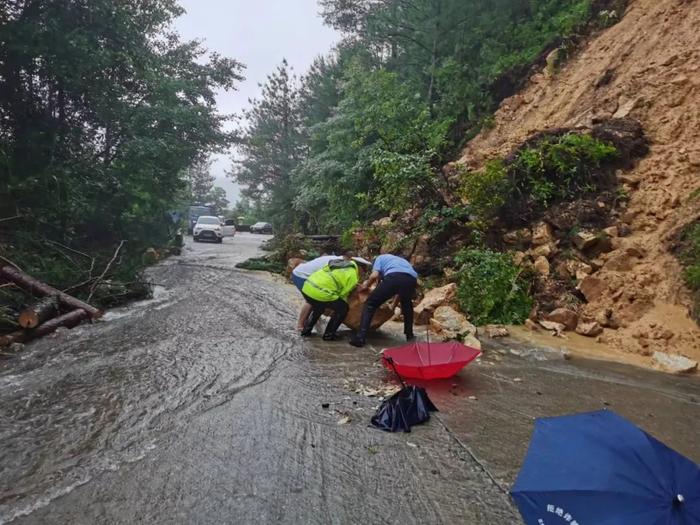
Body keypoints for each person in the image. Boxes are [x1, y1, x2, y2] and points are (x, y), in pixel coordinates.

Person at [349, 254, 418, 347]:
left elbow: (374, 276)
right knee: (407, 305)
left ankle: (360, 337)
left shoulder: (379, 258)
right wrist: (393, 304)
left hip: (394, 277)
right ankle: (410, 335)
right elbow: (399, 290)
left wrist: (366, 286)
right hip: (412, 279)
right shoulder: (399, 261)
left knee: (370, 304)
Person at [300, 259, 362, 341]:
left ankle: (306, 330)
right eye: (363, 272)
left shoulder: (339, 264)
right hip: (320, 292)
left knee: (319, 306)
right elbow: (343, 294)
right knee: (343, 308)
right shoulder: (353, 273)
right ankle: (329, 335)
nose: (362, 274)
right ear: (360, 268)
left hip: (307, 287)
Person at [292, 254, 343, 331]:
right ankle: (300, 324)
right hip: (302, 275)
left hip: (301, 272)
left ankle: (311, 320)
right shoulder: (337, 263)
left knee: (316, 298)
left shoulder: (336, 258)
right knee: (311, 300)